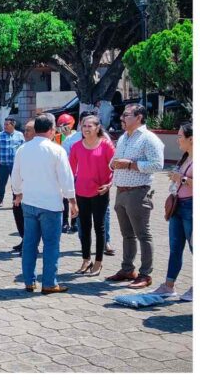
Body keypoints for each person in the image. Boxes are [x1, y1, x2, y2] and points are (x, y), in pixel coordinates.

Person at [12, 114, 77, 294]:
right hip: (50, 204)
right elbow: (66, 178)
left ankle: (29, 281)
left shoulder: (23, 149)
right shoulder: (57, 150)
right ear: (51, 129)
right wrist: (72, 200)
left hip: (29, 202)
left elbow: (15, 175)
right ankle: (49, 282)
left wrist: (17, 193)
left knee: (29, 244)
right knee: (50, 245)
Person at [106, 104, 164, 289]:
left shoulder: (149, 138)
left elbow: (157, 164)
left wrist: (130, 165)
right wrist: (113, 164)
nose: (121, 118)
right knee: (127, 234)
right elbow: (116, 158)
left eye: (126, 115)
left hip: (138, 191)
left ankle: (145, 274)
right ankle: (127, 269)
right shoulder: (124, 137)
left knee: (143, 234)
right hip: (121, 191)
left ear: (139, 117)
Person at [151, 123, 193, 301]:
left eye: (180, 136)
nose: (177, 140)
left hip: (191, 207)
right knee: (175, 248)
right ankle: (169, 286)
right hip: (178, 206)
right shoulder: (185, 157)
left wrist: (182, 179)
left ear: (191, 139)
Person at [69, 116, 115, 276]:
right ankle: (86, 259)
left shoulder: (106, 145)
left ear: (97, 127)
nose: (86, 128)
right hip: (81, 192)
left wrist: (109, 184)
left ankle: (98, 262)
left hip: (100, 192)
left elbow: (115, 167)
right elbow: (70, 171)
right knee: (84, 227)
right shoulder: (76, 147)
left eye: (89, 126)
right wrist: (70, 194)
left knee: (99, 227)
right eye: (83, 126)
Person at [11, 119, 36, 254]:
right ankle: (24, 240)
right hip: (19, 189)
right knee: (18, 214)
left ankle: (31, 245)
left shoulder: (40, 149)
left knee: (30, 219)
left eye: (28, 130)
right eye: (25, 130)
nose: (25, 133)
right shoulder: (23, 148)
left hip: (31, 191)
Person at [0, 118, 25, 207]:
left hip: (15, 164)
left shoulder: (19, 135)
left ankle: (15, 200)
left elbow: (23, 147)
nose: (4, 126)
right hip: (3, 164)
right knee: (2, 183)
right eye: (4, 124)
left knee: (16, 183)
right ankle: (0, 200)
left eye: (7, 124)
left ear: (13, 125)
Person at [56, 114, 78, 233]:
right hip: (63, 171)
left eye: (65, 126)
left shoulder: (77, 137)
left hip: (76, 171)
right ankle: (64, 222)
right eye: (60, 126)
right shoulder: (57, 138)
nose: (62, 129)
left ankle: (75, 222)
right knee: (63, 198)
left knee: (75, 198)